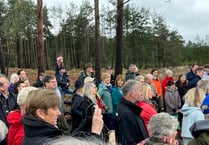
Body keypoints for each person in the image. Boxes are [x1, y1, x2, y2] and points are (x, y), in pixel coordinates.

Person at [115, 80, 148, 145]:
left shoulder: (131, 110)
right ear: (132, 93)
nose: (142, 94)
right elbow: (127, 140)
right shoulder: (125, 113)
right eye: (140, 91)